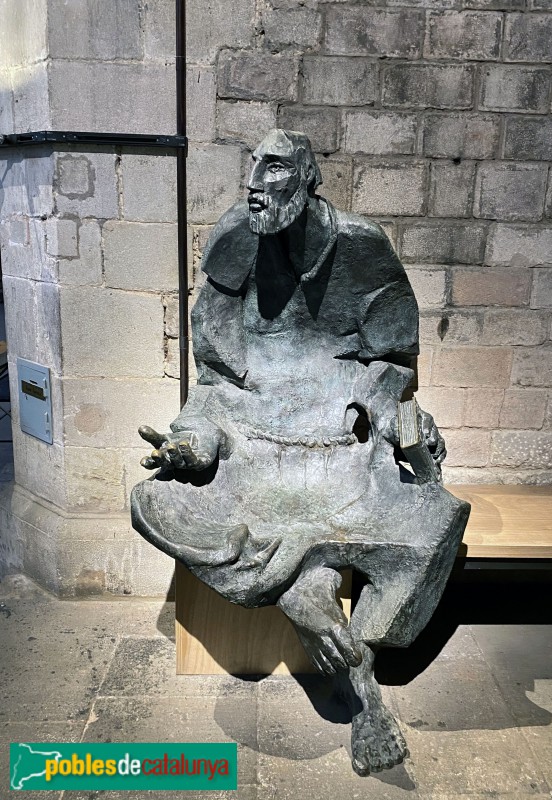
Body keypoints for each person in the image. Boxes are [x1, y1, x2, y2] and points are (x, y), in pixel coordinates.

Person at [131, 130, 469, 777]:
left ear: (309, 177)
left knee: (386, 524)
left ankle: (352, 661)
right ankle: (360, 682)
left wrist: (402, 419)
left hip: (335, 438)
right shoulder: (236, 242)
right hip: (254, 434)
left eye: (275, 166)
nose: (255, 180)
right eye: (253, 165)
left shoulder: (362, 247)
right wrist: (191, 445)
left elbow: (390, 362)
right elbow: (216, 381)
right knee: (156, 501)